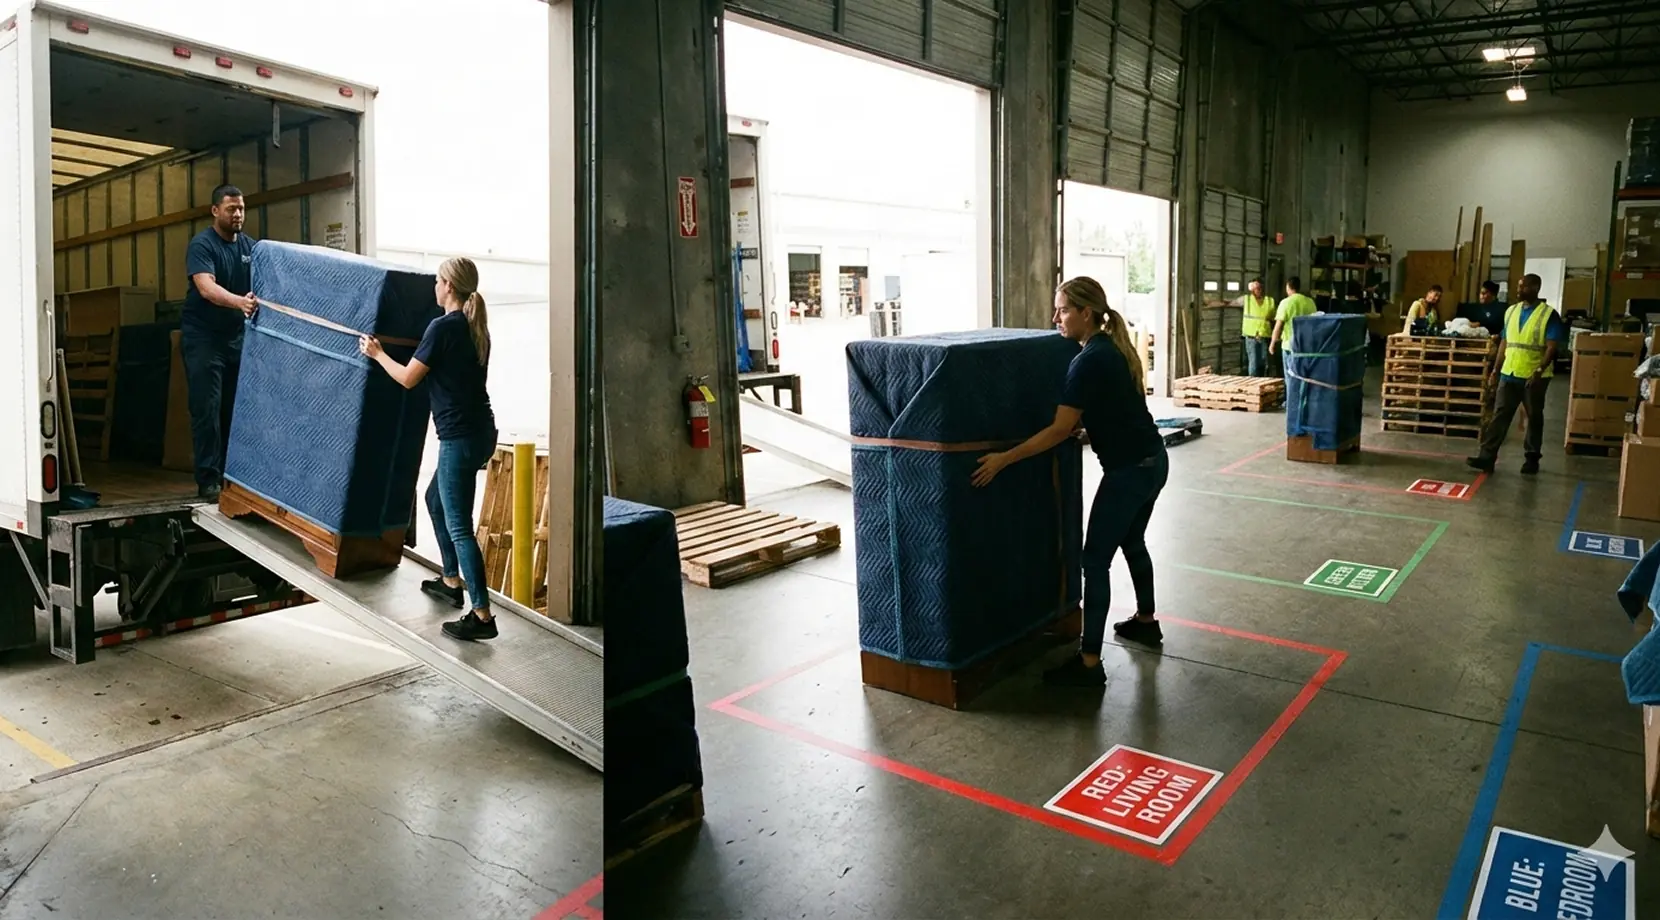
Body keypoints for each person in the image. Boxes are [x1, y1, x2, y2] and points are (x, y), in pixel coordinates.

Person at [971, 276, 1169, 687]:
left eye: (1062, 309)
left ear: (1086, 312)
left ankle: (1089, 664)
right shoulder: (1112, 348)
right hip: (1154, 464)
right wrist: (1091, 431)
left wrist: (1005, 459)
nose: (1055, 317)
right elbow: (1117, 410)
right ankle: (1147, 620)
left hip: (1129, 473)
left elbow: (1058, 429)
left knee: (1094, 561)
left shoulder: (1087, 360)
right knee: (1132, 542)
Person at [360, 258, 500, 641]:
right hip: (481, 432)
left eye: (437, 281)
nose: (434, 287)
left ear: (449, 287)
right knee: (435, 499)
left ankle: (483, 616)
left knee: (459, 526)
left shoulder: (442, 328)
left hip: (459, 437)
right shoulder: (474, 328)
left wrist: (376, 354)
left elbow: (407, 379)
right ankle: (452, 581)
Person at [183, 184, 258, 500]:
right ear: (215, 211)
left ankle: (233, 477)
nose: (238, 214)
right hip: (203, 339)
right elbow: (206, 287)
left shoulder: (251, 248)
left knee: (235, 410)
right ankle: (208, 480)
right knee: (208, 408)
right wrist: (241, 302)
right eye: (231, 208)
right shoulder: (202, 246)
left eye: (241, 208)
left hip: (234, 339)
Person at [1467, 273, 1565, 476]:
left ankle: (1531, 458)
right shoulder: (1511, 311)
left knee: (1533, 416)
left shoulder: (1548, 314)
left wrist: (1539, 370)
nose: (1518, 290)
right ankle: (1487, 457)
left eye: (1523, 287)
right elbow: (1505, 342)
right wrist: (1495, 370)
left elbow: (1551, 346)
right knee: (1499, 416)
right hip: (1509, 373)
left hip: (1534, 376)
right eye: (1519, 286)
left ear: (1535, 288)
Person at [1268, 276, 1317, 370]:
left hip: (1289, 346)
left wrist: (1272, 343)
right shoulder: (1310, 302)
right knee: (1303, 376)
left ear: (1288, 287)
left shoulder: (1285, 303)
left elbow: (1278, 326)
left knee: (1290, 375)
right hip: (1307, 346)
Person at [1240, 277, 1276, 377]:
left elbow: (1275, 319)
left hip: (1265, 337)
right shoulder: (1246, 299)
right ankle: (1254, 386)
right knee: (1253, 363)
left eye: (1259, 287)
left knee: (1265, 363)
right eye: (1255, 287)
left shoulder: (1270, 301)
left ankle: (1264, 383)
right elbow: (1229, 303)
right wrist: (1209, 303)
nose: (1258, 289)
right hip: (1251, 337)